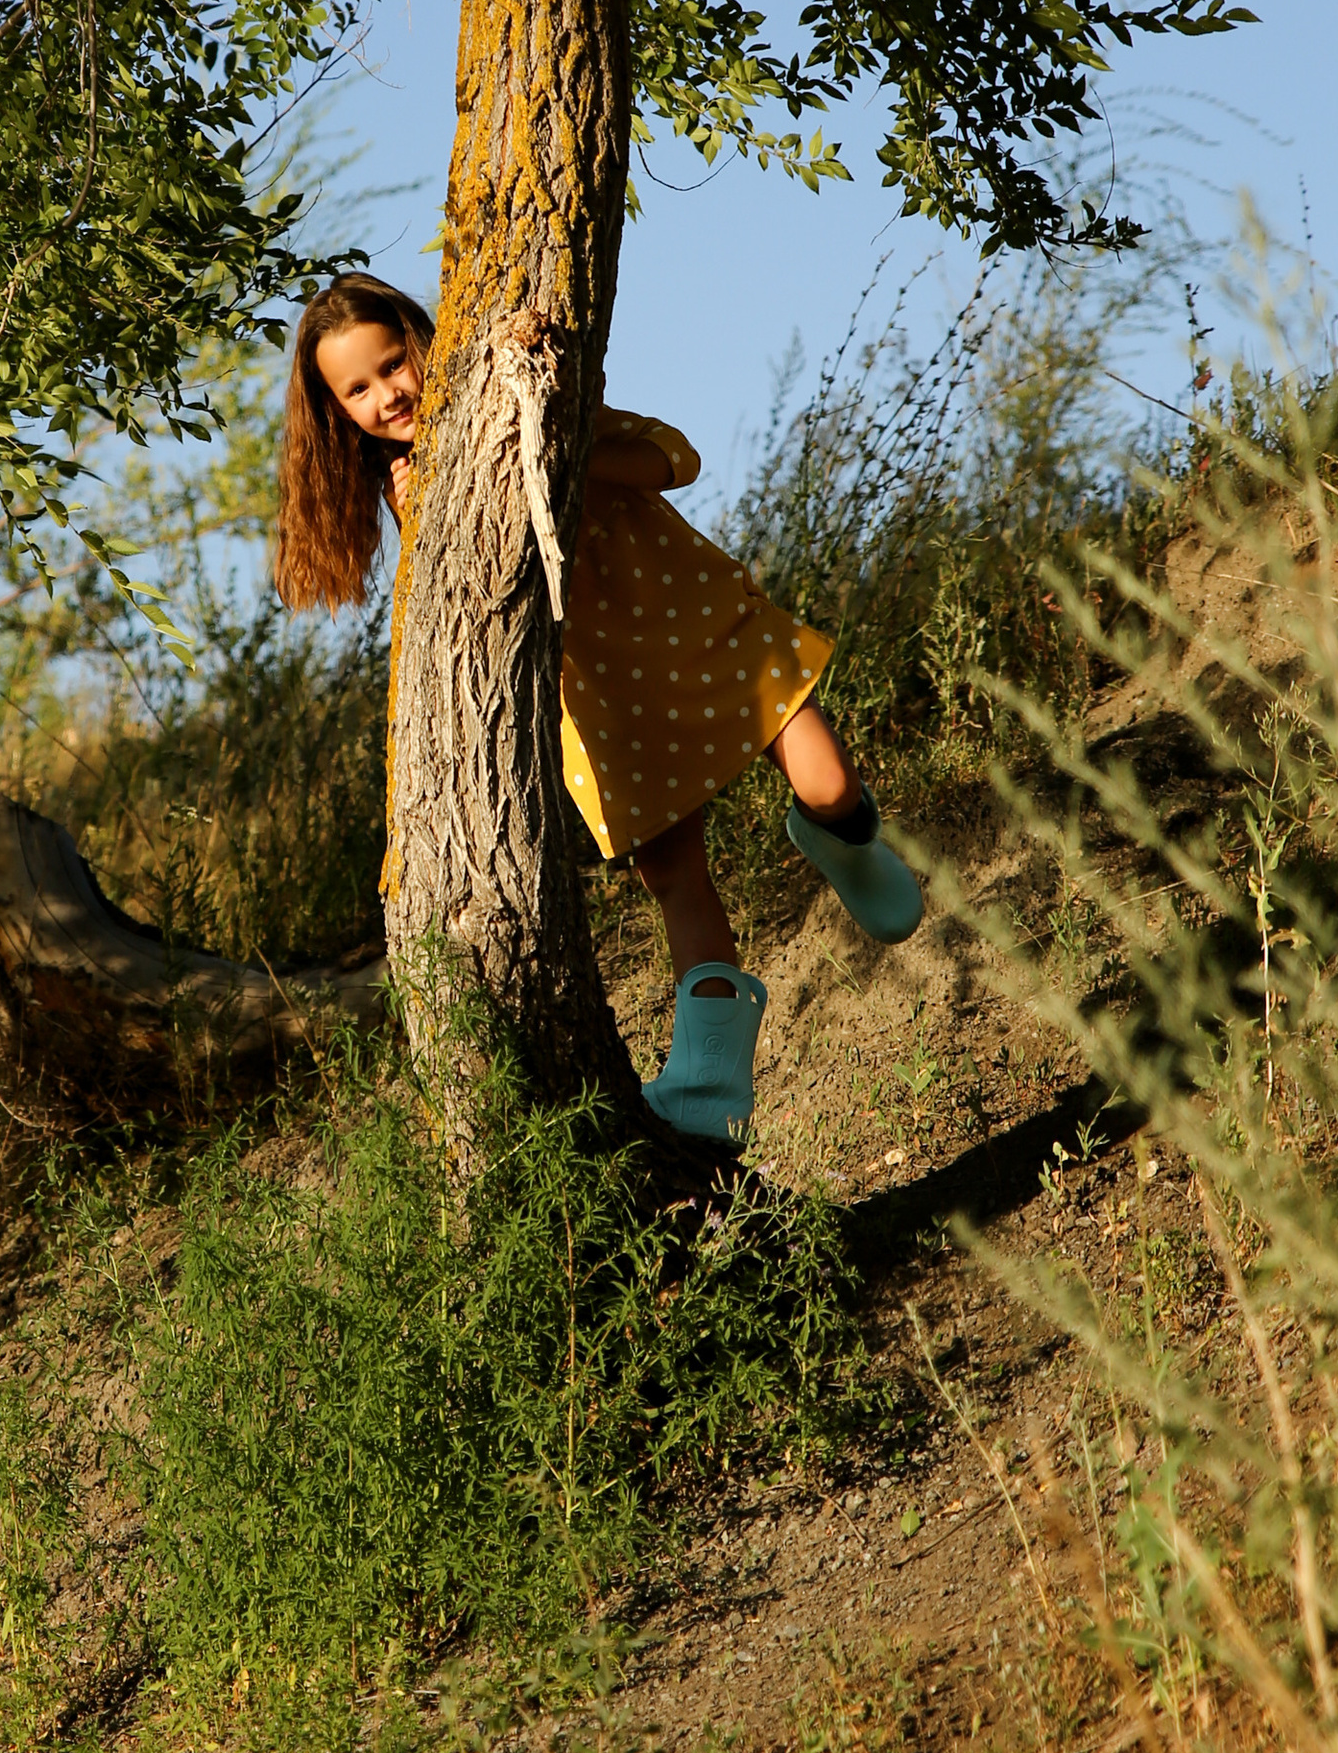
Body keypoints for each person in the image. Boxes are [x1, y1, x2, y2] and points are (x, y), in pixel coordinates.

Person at [272, 273, 922, 1147]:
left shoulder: (533, 400)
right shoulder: (413, 486)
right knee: (678, 882)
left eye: (394, 365)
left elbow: (673, 457)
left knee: (828, 778)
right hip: (603, 693)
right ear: (337, 413)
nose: (388, 394)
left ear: (425, 344)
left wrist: (551, 450)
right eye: (358, 389)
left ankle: (840, 838)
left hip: (696, 616)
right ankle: (710, 1080)